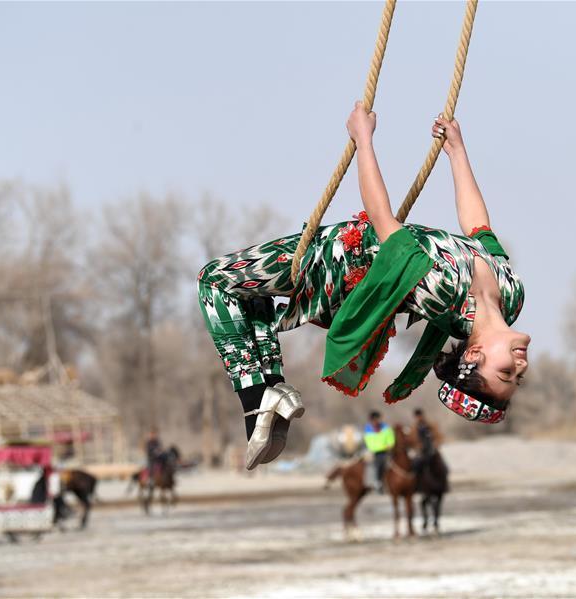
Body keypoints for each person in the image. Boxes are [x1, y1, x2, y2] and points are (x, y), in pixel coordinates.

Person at [198, 102, 529, 470]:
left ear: (473, 355)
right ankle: (269, 389)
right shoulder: (511, 296)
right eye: (518, 375)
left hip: (337, 260)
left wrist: (364, 139)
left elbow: (382, 219)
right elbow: (479, 230)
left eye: (505, 373)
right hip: (347, 253)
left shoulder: (442, 292)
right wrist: (457, 152)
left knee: (215, 281)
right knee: (248, 292)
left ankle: (255, 401)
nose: (520, 365)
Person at [363, 411, 395, 493]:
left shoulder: (386, 428)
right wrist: (372, 450)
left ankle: (386, 482)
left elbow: (391, 439)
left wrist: (389, 445)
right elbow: (368, 442)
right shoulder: (368, 430)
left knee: (387, 464)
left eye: (377, 419)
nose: (375, 422)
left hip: (385, 451)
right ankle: (374, 482)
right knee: (372, 465)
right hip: (373, 452)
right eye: (373, 420)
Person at [411, 408, 440, 476]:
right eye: (417, 416)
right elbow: (412, 440)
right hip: (421, 450)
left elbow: (438, 436)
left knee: (442, 465)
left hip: (431, 447)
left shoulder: (430, 425)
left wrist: (435, 443)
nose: (419, 418)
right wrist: (417, 446)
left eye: (420, 416)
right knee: (415, 464)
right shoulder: (414, 428)